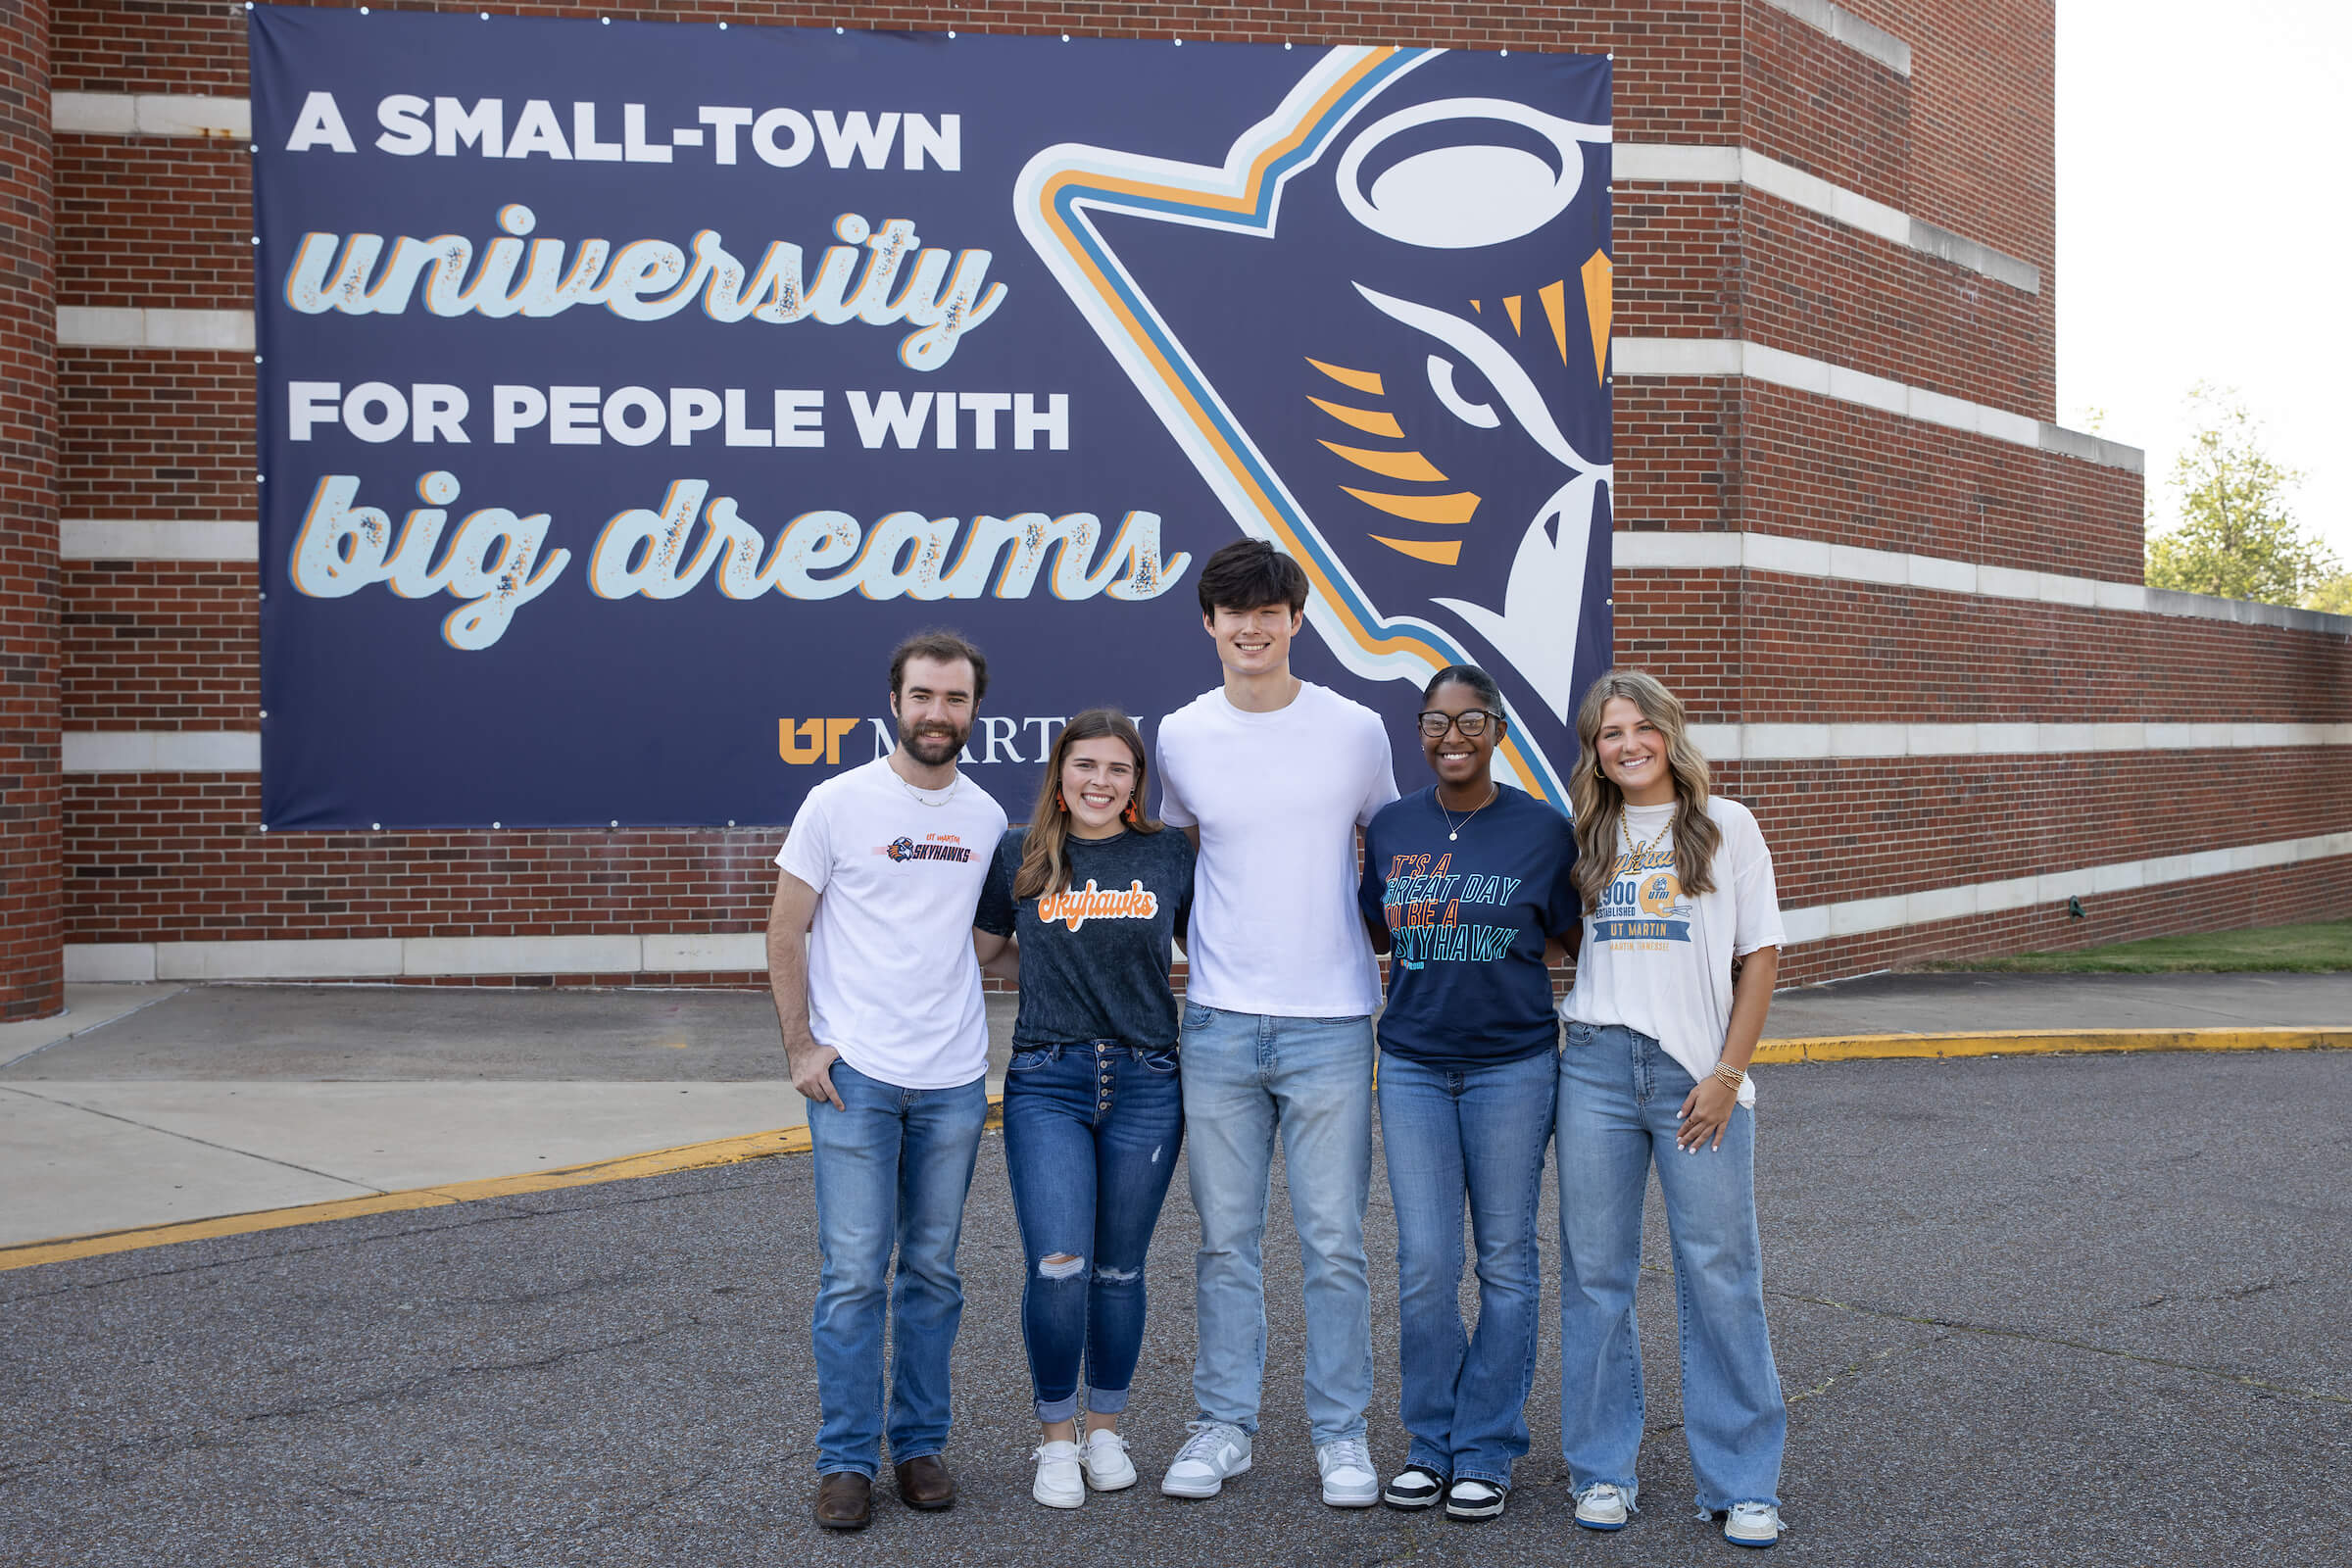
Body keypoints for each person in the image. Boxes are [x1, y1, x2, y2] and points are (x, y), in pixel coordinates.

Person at [1152, 538, 1399, 1508]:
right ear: (1208, 624)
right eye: (1231, 611)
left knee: (1335, 1241)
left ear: (1296, 620)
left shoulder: (1356, 730)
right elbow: (1175, 856)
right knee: (1225, 1241)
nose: (1250, 626)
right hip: (1215, 1018)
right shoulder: (1180, 734)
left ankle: (1342, 1434)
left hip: (1333, 1019)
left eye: (1269, 610)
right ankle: (1223, 1426)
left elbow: (1390, 849)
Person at [764, 630, 1008, 1533]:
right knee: (855, 1276)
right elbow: (785, 929)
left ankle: (919, 1449)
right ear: (894, 703)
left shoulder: (986, 819)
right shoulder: (837, 803)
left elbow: (984, 944)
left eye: (954, 700)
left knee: (934, 1275)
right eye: (922, 697)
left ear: (974, 709)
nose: (937, 715)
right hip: (856, 1079)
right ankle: (844, 1462)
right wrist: (801, 1047)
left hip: (952, 1080)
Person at [1553, 669, 1789, 1549]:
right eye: (1610, 734)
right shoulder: (1588, 831)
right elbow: (1567, 938)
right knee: (1596, 1275)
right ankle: (1603, 1470)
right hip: (1595, 1069)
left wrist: (1729, 1073)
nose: (1627, 746)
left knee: (1720, 1272)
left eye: (1640, 729)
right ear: (1596, 750)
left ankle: (1743, 1481)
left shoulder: (1727, 826)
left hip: (1696, 1074)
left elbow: (1758, 956)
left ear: (1669, 733)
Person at [1357, 665, 1580, 1523]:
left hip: (1513, 1066)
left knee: (1507, 1263)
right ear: (1419, 732)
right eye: (1435, 723)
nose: (1452, 737)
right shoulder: (1393, 827)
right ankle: (1429, 1442)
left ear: (1499, 729)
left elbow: (1567, 935)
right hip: (1411, 1064)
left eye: (1470, 721)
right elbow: (1379, 924)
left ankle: (1487, 1447)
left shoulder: (1542, 831)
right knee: (1425, 1267)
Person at [971, 708, 1197, 1509]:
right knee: (1059, 1265)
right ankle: (1056, 1438)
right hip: (1048, 1078)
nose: (1100, 781)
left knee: (1119, 1268)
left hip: (1146, 1078)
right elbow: (988, 947)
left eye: (1119, 769)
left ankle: (1106, 1428)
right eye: (1085, 766)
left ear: (1137, 782)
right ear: (1060, 775)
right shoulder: (1021, 852)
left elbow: (1208, 945)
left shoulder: (1167, 852)